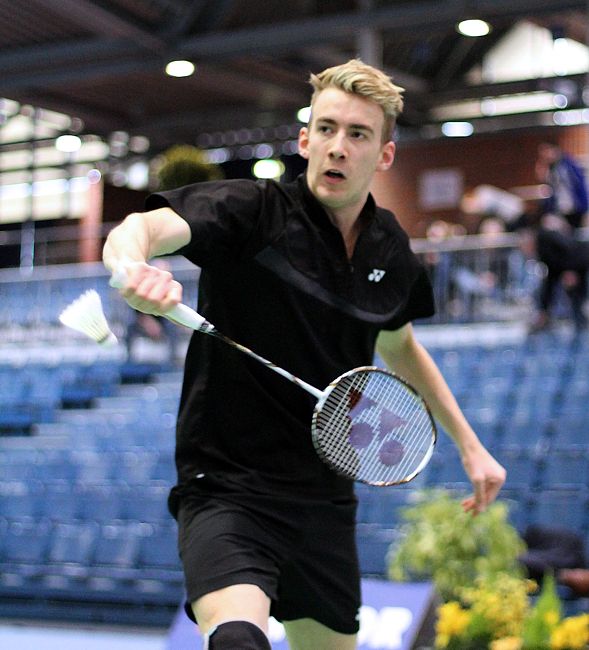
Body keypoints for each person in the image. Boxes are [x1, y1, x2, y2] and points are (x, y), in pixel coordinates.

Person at [103, 59, 506, 650]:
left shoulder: (390, 249)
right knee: (239, 640)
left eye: (358, 134)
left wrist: (471, 446)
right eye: (326, 129)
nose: (337, 147)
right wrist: (131, 268)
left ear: (384, 155)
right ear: (305, 139)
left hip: (324, 498)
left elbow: (399, 347)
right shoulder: (252, 211)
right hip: (229, 488)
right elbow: (138, 228)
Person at [535, 142, 588, 230]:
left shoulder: (568, 164)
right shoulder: (551, 168)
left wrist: (584, 206)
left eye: (545, 152)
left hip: (574, 207)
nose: (544, 156)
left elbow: (578, 185)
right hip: (561, 208)